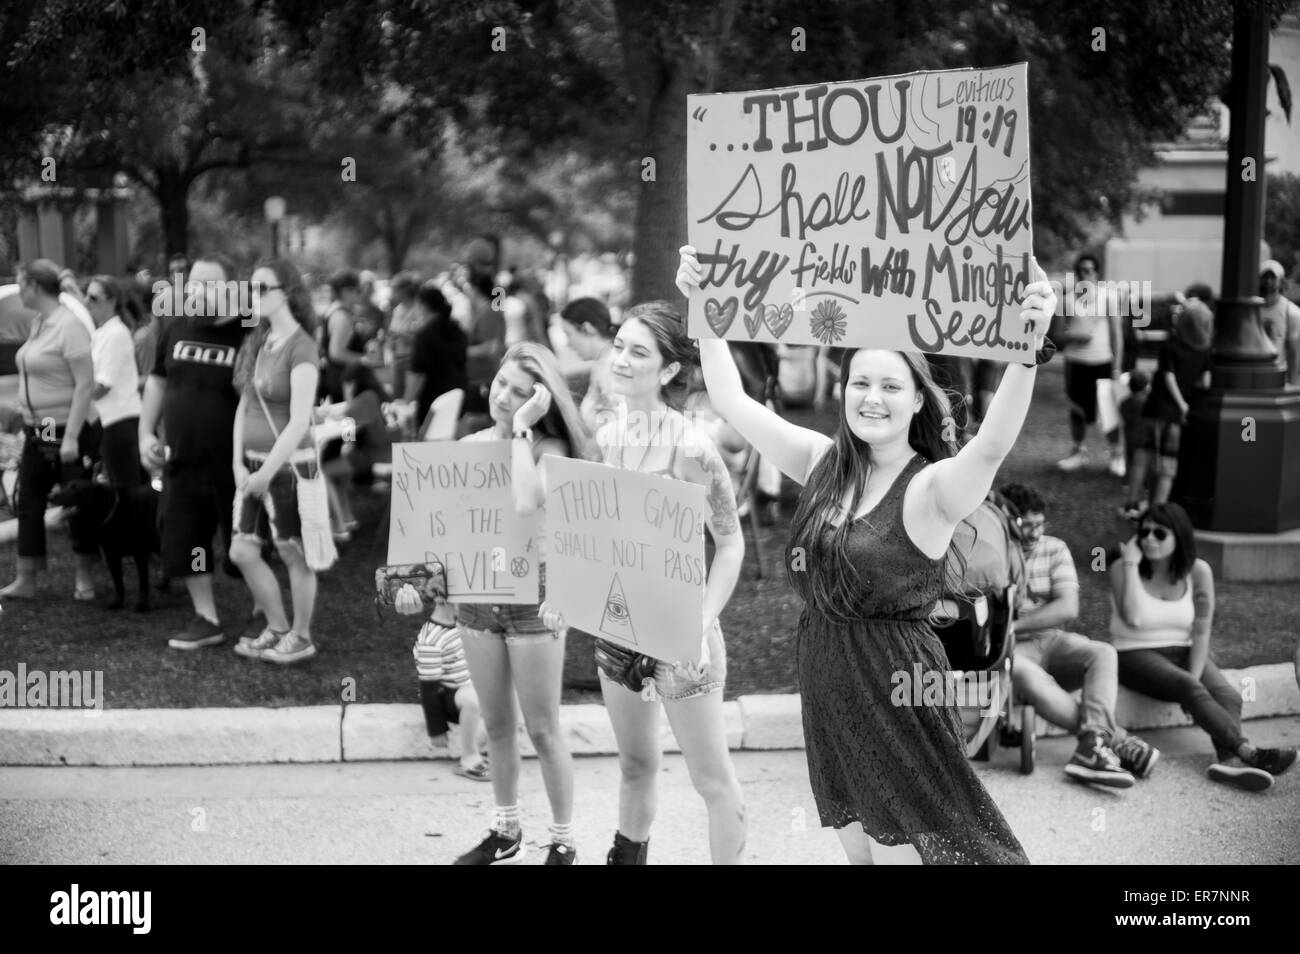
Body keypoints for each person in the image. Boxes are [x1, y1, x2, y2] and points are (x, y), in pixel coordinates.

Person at [681, 244, 1047, 865]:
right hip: (826, 677)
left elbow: (990, 446)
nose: (871, 398)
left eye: (890, 386)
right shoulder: (823, 462)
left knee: (907, 850)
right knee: (860, 852)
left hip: (897, 686)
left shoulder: (933, 486)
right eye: (860, 383)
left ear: (916, 401)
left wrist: (1030, 343)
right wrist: (703, 304)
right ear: (843, 389)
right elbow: (733, 403)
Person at [540, 301, 748, 866]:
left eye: (640, 351)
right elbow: (598, 539)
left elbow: (731, 546)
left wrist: (699, 628)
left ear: (669, 371)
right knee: (635, 764)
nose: (623, 360)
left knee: (711, 781)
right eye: (620, 346)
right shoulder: (606, 438)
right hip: (616, 634)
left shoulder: (691, 447)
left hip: (681, 640)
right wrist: (566, 593)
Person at [448, 342, 598, 865]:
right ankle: (506, 830)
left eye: (519, 390)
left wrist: (518, 433)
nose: (503, 394)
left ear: (540, 398)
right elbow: (453, 527)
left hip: (533, 599)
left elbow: (527, 502)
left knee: (542, 727)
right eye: (500, 382)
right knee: (496, 725)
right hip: (476, 598)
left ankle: (562, 839)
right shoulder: (469, 443)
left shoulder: (547, 446)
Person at [1109, 503, 1297, 790]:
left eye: (1160, 533)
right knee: (1189, 686)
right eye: (1143, 532)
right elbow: (1133, 618)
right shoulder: (1122, 568)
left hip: (1183, 651)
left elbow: (1201, 630)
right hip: (1132, 653)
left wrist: (1193, 682)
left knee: (1229, 696)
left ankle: (1228, 762)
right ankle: (1249, 751)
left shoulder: (1198, 571)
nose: (1148, 539)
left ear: (1179, 536)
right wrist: (1132, 561)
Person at [999, 483, 1157, 787]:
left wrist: (1015, 625)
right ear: (1007, 520)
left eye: (1039, 524)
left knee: (1103, 652)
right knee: (1021, 669)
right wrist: (1013, 632)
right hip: (1013, 651)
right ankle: (1113, 742)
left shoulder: (1054, 548)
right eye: (1025, 525)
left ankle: (1093, 744)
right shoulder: (994, 551)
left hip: (1049, 640)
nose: (1033, 533)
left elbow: (1067, 608)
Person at [139, 254, 250, 650]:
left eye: (207, 284)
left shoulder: (249, 331)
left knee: (245, 543)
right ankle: (208, 617)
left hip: (236, 463)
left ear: (232, 289)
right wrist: (144, 433)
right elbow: (157, 380)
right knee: (188, 538)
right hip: (182, 458)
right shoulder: (176, 326)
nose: (195, 291)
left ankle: (262, 610)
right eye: (193, 284)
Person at [228, 259, 329, 665]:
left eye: (262, 289)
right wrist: (238, 463)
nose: (253, 297)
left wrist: (265, 472)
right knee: (242, 551)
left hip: (287, 469)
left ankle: (301, 636)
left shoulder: (301, 346)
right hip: (254, 467)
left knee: (293, 552)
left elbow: (301, 419)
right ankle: (277, 626)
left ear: (286, 292)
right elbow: (244, 405)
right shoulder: (261, 340)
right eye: (250, 290)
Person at [1, 260, 98, 601]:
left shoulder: (69, 326)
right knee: (30, 498)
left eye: (21, 283)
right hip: (39, 428)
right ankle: (26, 577)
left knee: (77, 501)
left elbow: (86, 384)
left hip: (67, 427)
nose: (18, 288)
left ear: (35, 287)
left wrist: (71, 437)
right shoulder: (41, 322)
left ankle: (84, 577)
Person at [1122, 301, 1213, 519]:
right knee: (1168, 468)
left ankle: (1132, 503)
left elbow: (1167, 375)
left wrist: (1178, 401)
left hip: (1154, 409)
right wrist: (1184, 402)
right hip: (1174, 418)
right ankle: (1157, 511)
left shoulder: (1171, 345)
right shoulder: (1204, 351)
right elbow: (1205, 382)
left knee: (1141, 459)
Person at [402, 592, 490, 781]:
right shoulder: (431, 639)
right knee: (472, 698)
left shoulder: (461, 623)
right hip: (450, 696)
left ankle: (481, 747)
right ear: (443, 600)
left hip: (469, 687)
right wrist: (437, 729)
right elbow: (429, 689)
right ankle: (468, 758)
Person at [1055, 254, 1125, 476]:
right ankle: (1078, 452)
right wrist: (1074, 337)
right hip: (1076, 362)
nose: (1085, 274)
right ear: (1076, 274)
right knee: (1077, 409)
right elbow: (1056, 335)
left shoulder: (1108, 297)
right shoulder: (1067, 300)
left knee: (1108, 410)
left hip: (1102, 361)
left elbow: (1117, 335)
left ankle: (1116, 454)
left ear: (1097, 273)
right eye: (1081, 271)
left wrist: (1117, 367)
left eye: (1089, 270)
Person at [85, 275, 144, 488]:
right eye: (86, 295)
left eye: (93, 297)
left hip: (121, 420)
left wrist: (78, 400)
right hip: (108, 420)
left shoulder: (116, 334)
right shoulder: (102, 333)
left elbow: (103, 385)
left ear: (111, 300)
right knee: (118, 486)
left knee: (126, 489)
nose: (87, 302)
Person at [405, 283, 469, 430]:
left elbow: (417, 374)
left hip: (433, 404)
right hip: (459, 398)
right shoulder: (457, 329)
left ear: (423, 305)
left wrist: (406, 402)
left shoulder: (424, 335)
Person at [559, 296, 618, 432]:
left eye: (568, 334)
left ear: (587, 328)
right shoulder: (604, 362)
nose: (567, 343)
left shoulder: (608, 368)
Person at [1258, 260, 1300, 386]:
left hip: (1278, 375)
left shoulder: (1291, 311)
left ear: (1281, 280)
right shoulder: (1251, 308)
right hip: (1254, 372)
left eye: (1272, 277)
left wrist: (1293, 383)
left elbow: (1293, 351)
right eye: (1265, 276)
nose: (1268, 281)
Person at [386, 271, 422, 398]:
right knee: (397, 396)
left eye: (395, 289)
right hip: (397, 360)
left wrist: (400, 335)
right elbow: (392, 336)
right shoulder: (397, 310)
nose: (392, 293)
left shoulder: (419, 309)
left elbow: (419, 339)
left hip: (411, 360)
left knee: (410, 398)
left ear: (404, 291)